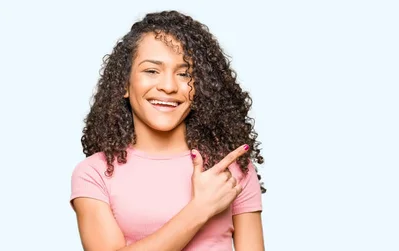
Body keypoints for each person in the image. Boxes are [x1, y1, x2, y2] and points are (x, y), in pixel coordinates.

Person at [69, 10, 266, 251]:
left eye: (184, 74)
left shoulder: (229, 169)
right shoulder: (94, 173)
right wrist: (200, 209)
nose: (169, 86)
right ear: (124, 84)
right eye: (152, 71)